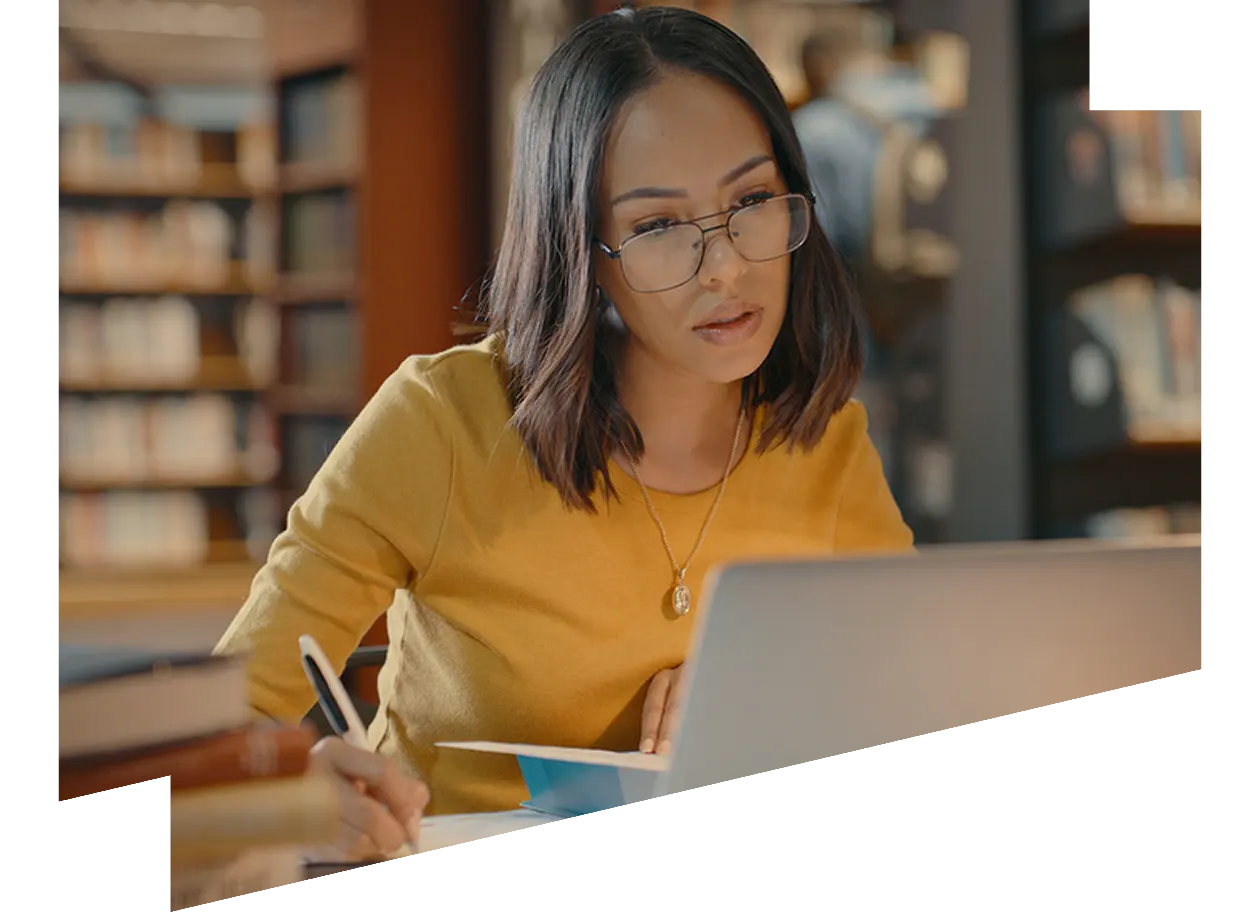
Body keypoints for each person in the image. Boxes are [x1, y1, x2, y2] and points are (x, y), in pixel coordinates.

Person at [214, 4, 913, 860]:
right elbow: (201, 749)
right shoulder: (440, 425)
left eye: (753, 200)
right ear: (581, 250)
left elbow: (910, 706)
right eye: (658, 226)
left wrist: (778, 699)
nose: (727, 266)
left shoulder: (826, 440)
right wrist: (281, 790)